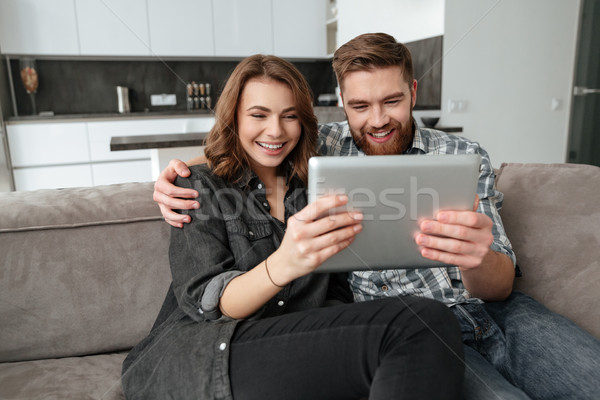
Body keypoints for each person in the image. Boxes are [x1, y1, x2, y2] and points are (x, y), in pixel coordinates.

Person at [152, 34, 600, 399]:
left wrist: (474, 257)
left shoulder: (463, 155)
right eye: (360, 107)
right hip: (414, 329)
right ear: (341, 103)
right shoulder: (321, 147)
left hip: (501, 314)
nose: (378, 120)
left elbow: (501, 285)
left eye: (392, 101)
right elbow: (260, 143)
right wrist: (180, 177)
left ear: (413, 92)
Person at [122, 54, 464, 400]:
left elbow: (334, 293)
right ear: (234, 118)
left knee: (419, 327)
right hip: (202, 355)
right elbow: (213, 305)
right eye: (258, 115)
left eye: (290, 116)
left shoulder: (317, 188)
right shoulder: (198, 187)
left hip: (284, 344)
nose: (276, 130)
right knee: (419, 324)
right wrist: (284, 263)